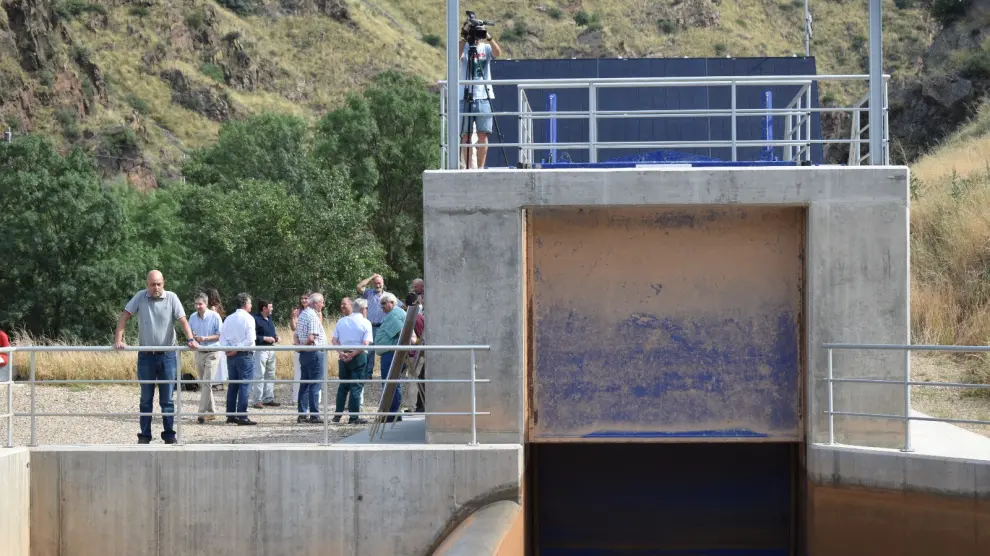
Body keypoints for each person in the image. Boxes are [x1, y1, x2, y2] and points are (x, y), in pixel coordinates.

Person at [113, 270, 200, 444]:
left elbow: (182, 320)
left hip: (168, 355)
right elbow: (124, 317)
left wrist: (190, 339)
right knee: (146, 398)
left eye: (159, 284)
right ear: (147, 285)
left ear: (164, 283)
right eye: (152, 284)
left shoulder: (172, 297)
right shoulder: (140, 297)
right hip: (146, 356)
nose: (156, 288)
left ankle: (169, 435)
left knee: (167, 399)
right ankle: (144, 436)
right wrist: (118, 340)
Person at [458, 20, 502, 169]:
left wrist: (488, 36)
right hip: (465, 96)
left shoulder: (486, 47)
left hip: (484, 96)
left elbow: (498, 53)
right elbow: (454, 56)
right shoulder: (465, 47)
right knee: (466, 135)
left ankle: (481, 167)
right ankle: (467, 167)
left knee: (483, 135)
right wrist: (466, 36)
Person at [331, 297, 373, 424]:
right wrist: (353, 354)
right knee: (356, 386)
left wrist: (342, 353)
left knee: (343, 386)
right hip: (358, 356)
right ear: (363, 309)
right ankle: (354, 417)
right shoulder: (366, 322)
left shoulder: (341, 321)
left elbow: (334, 340)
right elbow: (365, 343)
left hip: (343, 356)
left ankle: (337, 415)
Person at [219, 293, 257, 426]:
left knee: (233, 385)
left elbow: (222, 339)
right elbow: (250, 340)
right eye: (250, 303)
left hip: (230, 356)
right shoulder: (249, 318)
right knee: (244, 385)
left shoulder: (228, 319)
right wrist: (237, 348)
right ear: (246, 303)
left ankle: (230, 415)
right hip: (245, 355)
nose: (251, 305)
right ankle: (242, 415)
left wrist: (229, 349)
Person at [188, 293, 222, 423]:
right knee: (204, 383)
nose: (197, 306)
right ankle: (212, 412)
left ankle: (201, 413)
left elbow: (220, 335)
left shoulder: (215, 316)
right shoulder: (192, 317)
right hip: (199, 351)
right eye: (196, 304)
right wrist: (192, 339)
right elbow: (190, 332)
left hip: (213, 351)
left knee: (206, 382)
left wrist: (205, 338)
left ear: (206, 304)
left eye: (200, 304)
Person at [294, 292, 328, 424]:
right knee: (315, 383)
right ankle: (314, 414)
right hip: (314, 352)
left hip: (305, 354)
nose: (323, 305)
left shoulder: (302, 314)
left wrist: (298, 346)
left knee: (305, 383)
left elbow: (295, 335)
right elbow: (311, 337)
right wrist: (303, 346)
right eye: (322, 302)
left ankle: (302, 414)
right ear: (316, 303)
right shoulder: (313, 316)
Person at [374, 292, 406, 422]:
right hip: (390, 352)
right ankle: (392, 413)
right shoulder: (394, 314)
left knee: (391, 383)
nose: (382, 307)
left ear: (392, 303)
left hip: (391, 353)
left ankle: (392, 414)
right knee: (391, 383)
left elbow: (403, 332)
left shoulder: (394, 316)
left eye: (383, 304)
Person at [250, 298, 280, 409]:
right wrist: (264, 338)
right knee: (259, 374)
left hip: (271, 349)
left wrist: (276, 337)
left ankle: (268, 398)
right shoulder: (255, 319)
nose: (272, 309)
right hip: (260, 349)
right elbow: (252, 336)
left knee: (270, 374)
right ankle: (257, 400)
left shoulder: (269, 319)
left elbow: (271, 332)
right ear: (264, 308)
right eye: (270, 307)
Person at [356, 274, 387, 382]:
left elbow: (402, 306)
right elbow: (359, 286)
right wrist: (371, 277)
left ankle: (385, 374)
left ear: (383, 283)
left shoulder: (388, 296)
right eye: (376, 283)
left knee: (384, 351)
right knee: (369, 352)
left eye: (379, 283)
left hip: (383, 328)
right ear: (372, 284)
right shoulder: (368, 293)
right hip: (370, 326)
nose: (378, 285)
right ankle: (367, 374)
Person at [289, 291, 312, 405]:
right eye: (302, 298)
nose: (303, 300)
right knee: (298, 372)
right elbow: (294, 329)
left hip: (309, 345)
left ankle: (310, 399)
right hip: (299, 344)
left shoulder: (315, 312)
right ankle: (296, 398)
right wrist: (293, 317)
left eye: (306, 298)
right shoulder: (298, 311)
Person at [206, 288, 227, 390]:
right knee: (218, 361)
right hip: (219, 337)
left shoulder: (212, 309)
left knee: (214, 360)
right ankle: (219, 382)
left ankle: (215, 382)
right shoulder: (218, 308)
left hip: (213, 337)